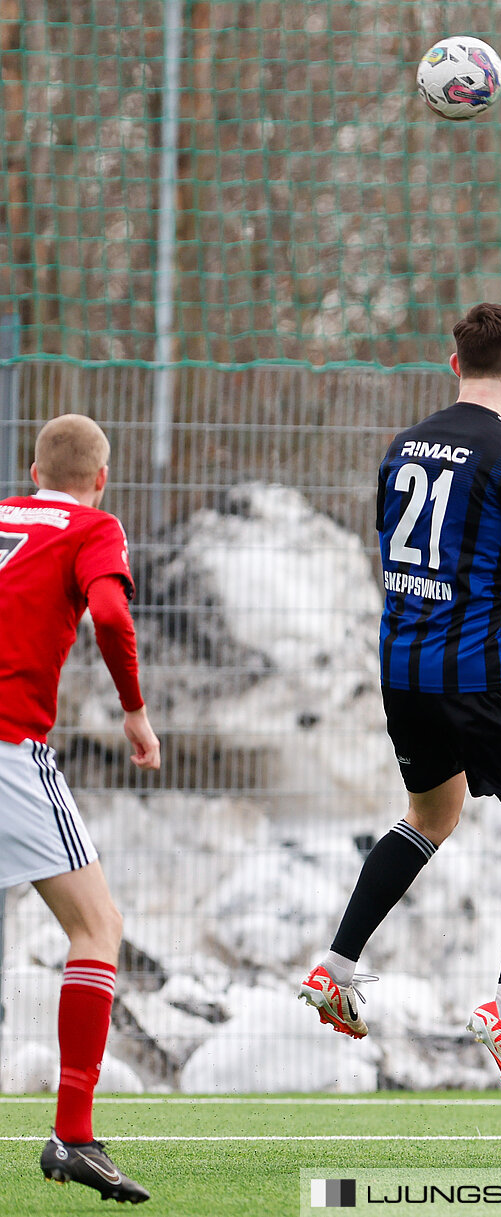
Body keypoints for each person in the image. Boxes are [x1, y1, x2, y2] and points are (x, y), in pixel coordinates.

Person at [299, 303, 501, 1106]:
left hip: (405, 668)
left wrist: (493, 612)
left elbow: (413, 557)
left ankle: (337, 967)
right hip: (477, 677)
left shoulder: (404, 444)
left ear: (453, 363)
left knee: (431, 814)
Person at [1, 415, 160, 1203]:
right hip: (8, 750)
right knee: (97, 927)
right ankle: (73, 1133)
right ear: (102, 478)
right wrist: (134, 710)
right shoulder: (94, 526)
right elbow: (112, 615)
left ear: (32, 469)